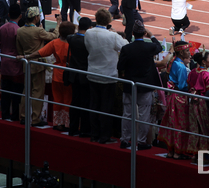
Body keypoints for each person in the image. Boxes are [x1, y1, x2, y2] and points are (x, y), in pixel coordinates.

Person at [84, 8, 128, 143]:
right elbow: (126, 47)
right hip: (108, 77)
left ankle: (94, 134)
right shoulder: (112, 36)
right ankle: (104, 137)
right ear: (109, 21)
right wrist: (115, 35)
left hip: (92, 74)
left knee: (94, 105)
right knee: (106, 107)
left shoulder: (88, 33)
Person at [23, 21, 75, 130]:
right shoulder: (73, 44)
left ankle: (57, 122)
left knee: (57, 99)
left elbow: (40, 53)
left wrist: (27, 56)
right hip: (69, 75)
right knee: (68, 99)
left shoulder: (55, 43)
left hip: (56, 75)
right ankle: (67, 123)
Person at [117, 20, 160, 150]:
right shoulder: (149, 47)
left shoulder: (126, 48)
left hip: (130, 85)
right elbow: (159, 47)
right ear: (144, 33)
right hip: (145, 87)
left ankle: (125, 140)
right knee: (144, 115)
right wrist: (151, 36)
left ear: (133, 33)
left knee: (127, 114)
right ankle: (141, 142)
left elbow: (120, 66)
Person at [16, 7, 59, 126]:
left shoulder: (20, 31)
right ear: (35, 17)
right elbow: (54, 36)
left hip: (27, 64)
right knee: (37, 92)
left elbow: (19, 50)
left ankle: (23, 116)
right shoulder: (38, 31)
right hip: (38, 64)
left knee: (26, 91)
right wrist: (59, 23)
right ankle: (35, 118)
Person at [159, 40, 192, 159]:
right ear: (182, 53)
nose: (189, 53)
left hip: (172, 96)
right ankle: (178, 152)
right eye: (187, 51)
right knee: (180, 125)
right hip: (180, 98)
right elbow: (183, 86)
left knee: (172, 123)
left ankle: (171, 151)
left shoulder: (173, 62)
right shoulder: (182, 67)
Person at [0, 3, 23, 121]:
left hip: (4, 64)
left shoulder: (2, 28)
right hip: (16, 65)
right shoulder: (19, 30)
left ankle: (5, 114)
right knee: (16, 93)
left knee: (5, 92)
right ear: (20, 16)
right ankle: (15, 116)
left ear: (8, 14)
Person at [67, 17, 92, 136]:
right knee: (85, 103)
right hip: (85, 75)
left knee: (74, 102)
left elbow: (69, 36)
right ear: (89, 28)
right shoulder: (88, 42)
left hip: (73, 75)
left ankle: (72, 128)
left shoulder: (71, 39)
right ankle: (84, 130)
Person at [186, 51, 209, 156]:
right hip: (203, 104)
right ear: (203, 61)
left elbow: (189, 86)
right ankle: (204, 155)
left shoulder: (192, 72)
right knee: (205, 129)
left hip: (192, 103)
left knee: (194, 127)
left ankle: (194, 154)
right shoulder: (208, 75)